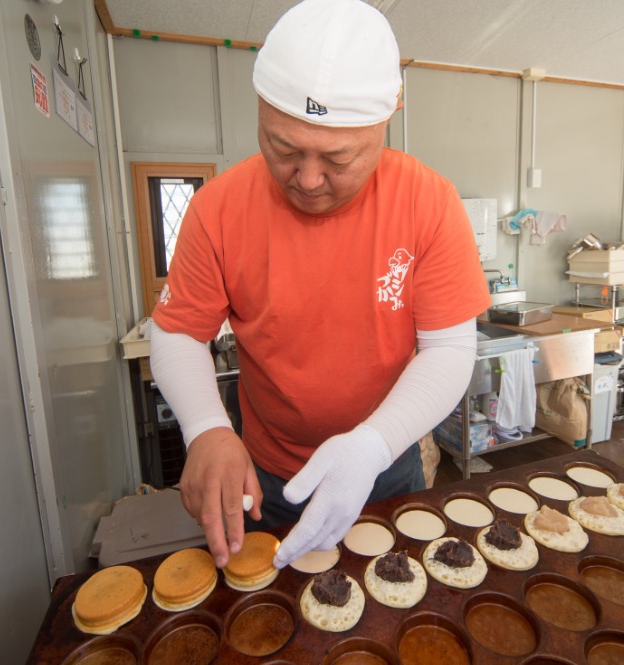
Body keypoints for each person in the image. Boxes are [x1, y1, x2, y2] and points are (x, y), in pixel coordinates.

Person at [149, 0, 490, 570]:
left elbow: (451, 348)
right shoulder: (217, 209)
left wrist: (372, 444)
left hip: (387, 463)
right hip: (267, 477)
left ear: (389, 116)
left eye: (338, 158)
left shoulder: (428, 203)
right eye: (283, 149)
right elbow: (179, 334)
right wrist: (206, 428)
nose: (307, 181)